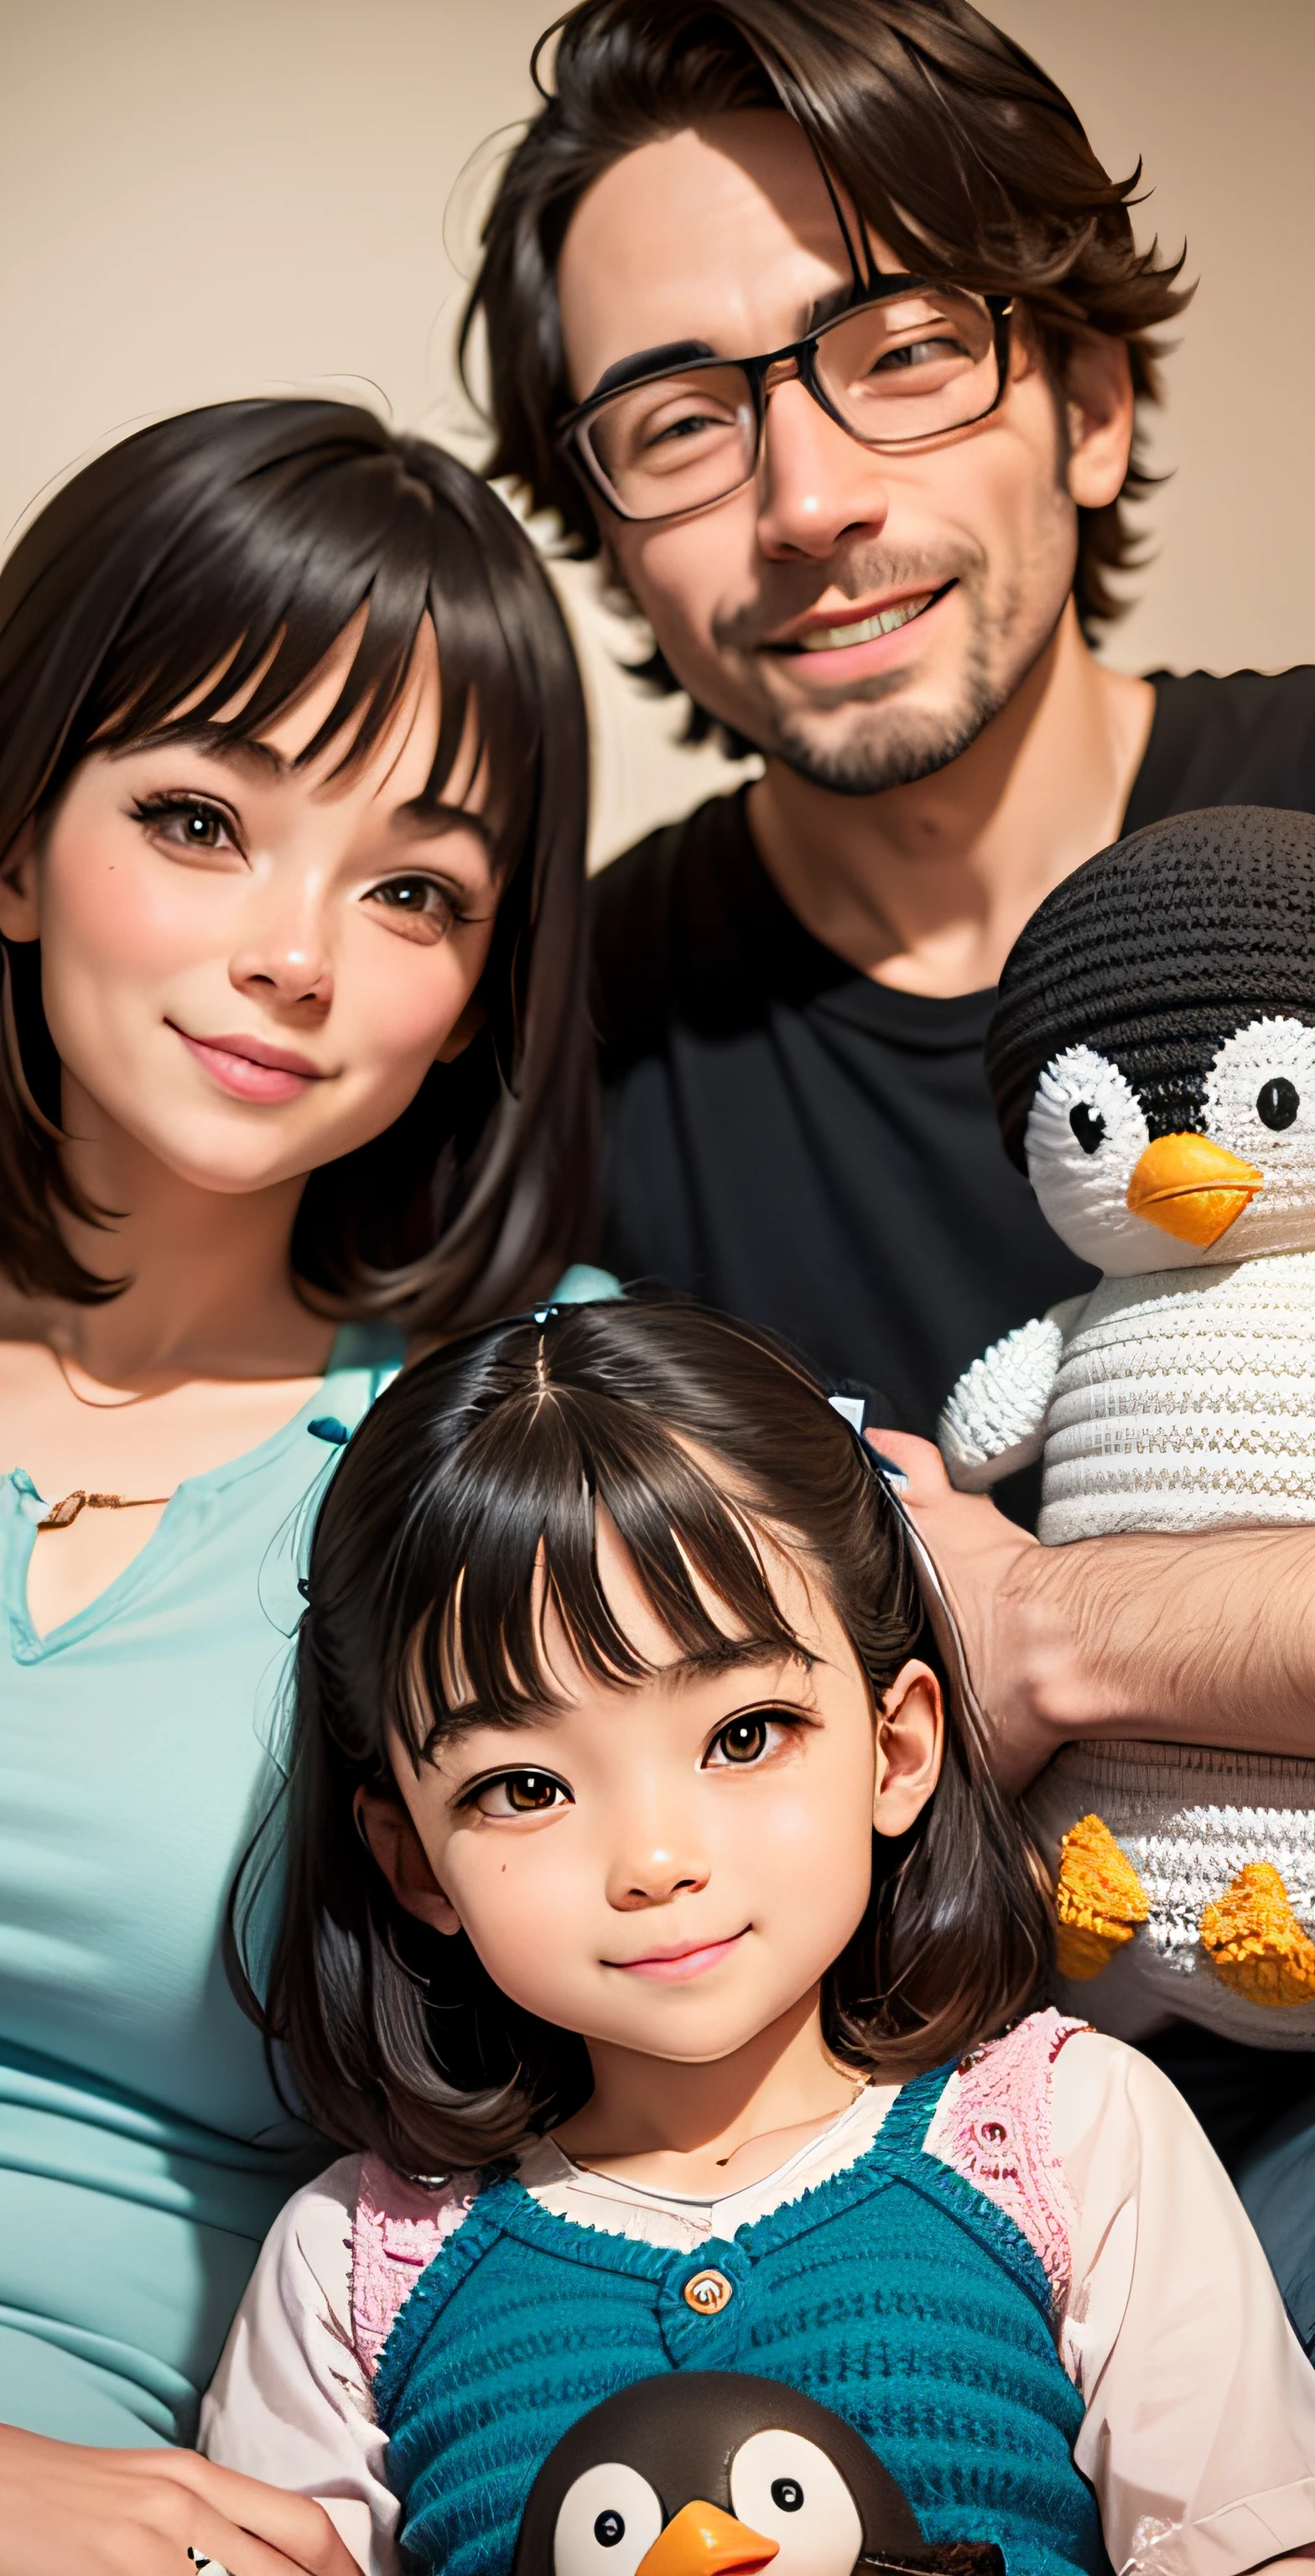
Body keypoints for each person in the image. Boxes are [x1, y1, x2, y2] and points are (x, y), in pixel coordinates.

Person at [460, 3, 1315, 2567]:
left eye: (902, 349)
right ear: (608, 517)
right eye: (681, 418)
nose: (805, 492)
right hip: (885, 2284)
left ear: (1093, 402)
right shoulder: (546, 1040)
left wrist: (1060, 1637)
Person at [200, 1295, 1315, 2576]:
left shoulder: (1066, 2137)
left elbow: (1269, 2553)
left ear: (898, 1747)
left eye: (743, 1735)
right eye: (527, 1788)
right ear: (412, 1860)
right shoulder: (356, 2266)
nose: (656, 1863)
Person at [0, 399, 611, 2575]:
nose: (299, 955)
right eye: (197, 817)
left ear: (472, 998)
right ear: (11, 837)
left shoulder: (530, 1443)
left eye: (414, 888)